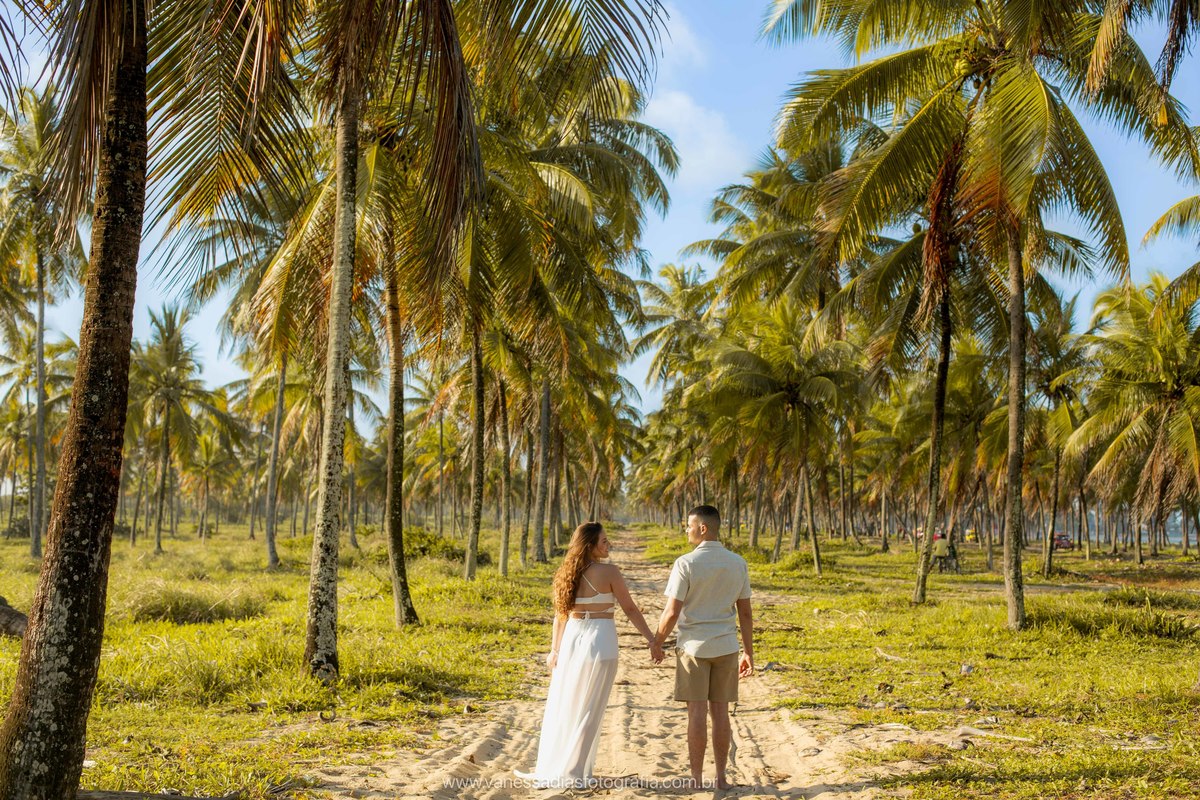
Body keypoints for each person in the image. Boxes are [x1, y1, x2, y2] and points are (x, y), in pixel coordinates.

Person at [516, 522, 662, 789]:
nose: (609, 545)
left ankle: (571, 768)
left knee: (570, 704)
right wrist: (652, 639)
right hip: (599, 639)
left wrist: (554, 650)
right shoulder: (609, 572)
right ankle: (574, 772)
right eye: (604, 541)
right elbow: (629, 609)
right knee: (591, 708)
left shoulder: (566, 572)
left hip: (573, 638)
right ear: (591, 545)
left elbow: (560, 616)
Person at [652, 505, 754, 791]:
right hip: (726, 646)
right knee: (720, 713)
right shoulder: (738, 562)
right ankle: (721, 778)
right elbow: (745, 613)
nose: (687, 530)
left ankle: (696, 779)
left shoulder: (685, 563)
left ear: (703, 528)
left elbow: (672, 612)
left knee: (696, 714)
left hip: (693, 649)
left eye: (689, 525)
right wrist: (748, 652)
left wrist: (657, 642)